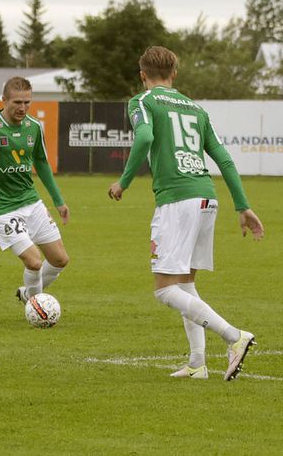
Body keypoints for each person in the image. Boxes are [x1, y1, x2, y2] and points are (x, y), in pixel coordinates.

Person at [108, 46, 265, 381]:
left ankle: (234, 336)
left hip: (177, 202)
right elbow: (223, 159)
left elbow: (145, 136)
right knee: (185, 285)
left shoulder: (143, 101)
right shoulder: (196, 108)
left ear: (142, 75)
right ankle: (197, 364)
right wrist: (242, 205)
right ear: (174, 73)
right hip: (206, 199)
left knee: (165, 290)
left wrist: (123, 182)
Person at [0, 76, 70, 306]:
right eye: (17, 102)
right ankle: (38, 307)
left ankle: (28, 294)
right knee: (34, 262)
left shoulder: (34, 127)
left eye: (27, 102)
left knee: (60, 260)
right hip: (1, 207)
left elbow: (42, 164)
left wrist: (58, 201)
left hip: (31, 201)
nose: (23, 108)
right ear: (4, 100)